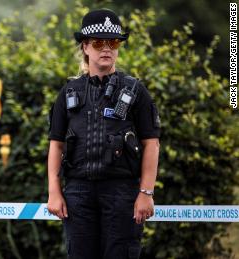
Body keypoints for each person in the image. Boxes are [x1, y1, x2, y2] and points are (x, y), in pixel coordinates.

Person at [46, 9, 161, 259]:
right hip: (78, 193)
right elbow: (56, 145)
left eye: (113, 42)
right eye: (99, 43)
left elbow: (151, 144)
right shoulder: (68, 92)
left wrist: (146, 193)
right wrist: (54, 191)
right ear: (86, 47)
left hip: (122, 192)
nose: (106, 48)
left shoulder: (135, 91)